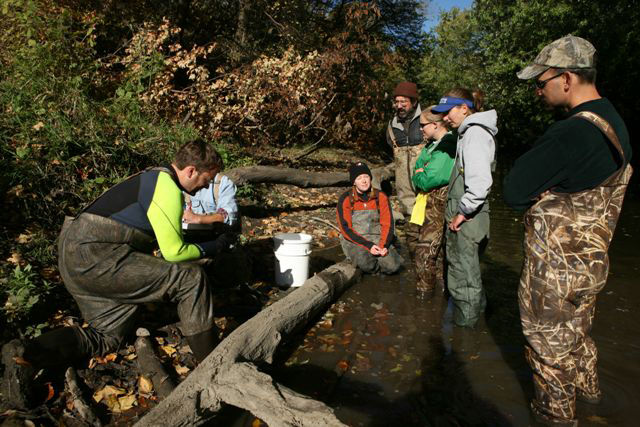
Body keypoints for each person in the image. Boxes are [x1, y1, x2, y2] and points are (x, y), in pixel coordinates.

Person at [1, 139, 235, 409]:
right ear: (191, 170)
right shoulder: (166, 187)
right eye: (207, 179)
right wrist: (215, 246)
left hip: (73, 254)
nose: (206, 186)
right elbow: (173, 252)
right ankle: (215, 363)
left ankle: (27, 354)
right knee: (190, 278)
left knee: (106, 337)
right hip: (95, 255)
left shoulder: (151, 177)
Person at [504, 35, 633, 426]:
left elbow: (513, 190)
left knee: (549, 354)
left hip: (554, 275)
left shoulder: (571, 133)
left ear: (566, 78)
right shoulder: (616, 123)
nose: (537, 91)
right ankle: (594, 400)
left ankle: (555, 418)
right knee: (579, 338)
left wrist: (546, 191)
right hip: (592, 267)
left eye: (541, 82)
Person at [431, 88, 497, 327]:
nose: (444, 118)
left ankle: (465, 339)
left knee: (463, 277)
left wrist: (463, 211)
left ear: (464, 108)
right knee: (468, 273)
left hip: (468, 217)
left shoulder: (475, 134)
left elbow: (479, 182)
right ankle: (475, 325)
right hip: (470, 216)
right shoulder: (468, 133)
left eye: (447, 112)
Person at [409, 107, 457, 293]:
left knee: (426, 253)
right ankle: (432, 297)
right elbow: (418, 168)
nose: (420, 129)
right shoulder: (432, 145)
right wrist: (420, 172)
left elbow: (429, 180)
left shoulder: (448, 144)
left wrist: (420, 173)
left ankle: (425, 299)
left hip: (437, 204)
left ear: (435, 125)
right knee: (424, 249)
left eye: (423, 125)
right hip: (425, 204)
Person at [337, 162, 403, 274]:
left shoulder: (380, 196)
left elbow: (387, 224)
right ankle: (373, 271)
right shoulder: (346, 199)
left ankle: (379, 270)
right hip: (355, 240)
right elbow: (345, 229)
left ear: (370, 178)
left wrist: (384, 246)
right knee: (365, 263)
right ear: (354, 182)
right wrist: (369, 246)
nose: (364, 181)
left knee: (393, 267)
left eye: (366, 177)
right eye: (359, 178)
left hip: (377, 237)